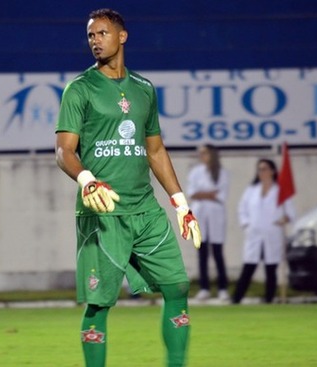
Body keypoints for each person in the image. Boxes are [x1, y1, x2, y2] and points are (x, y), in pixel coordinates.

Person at [55, 9, 201, 367]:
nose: (95, 41)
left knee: (177, 287)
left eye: (102, 33)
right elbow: (64, 151)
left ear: (122, 36)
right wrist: (87, 180)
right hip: (103, 212)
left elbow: (155, 150)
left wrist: (181, 203)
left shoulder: (144, 89)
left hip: (146, 211)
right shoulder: (80, 89)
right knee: (99, 302)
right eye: (90, 35)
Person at [232, 159, 295, 304]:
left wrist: (284, 219)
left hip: (272, 233)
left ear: (272, 171)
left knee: (270, 269)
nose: (262, 172)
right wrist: (246, 224)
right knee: (249, 267)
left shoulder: (280, 191)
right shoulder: (251, 190)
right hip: (254, 233)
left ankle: (269, 299)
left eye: (265, 169)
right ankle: (236, 299)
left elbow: (290, 211)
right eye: (259, 169)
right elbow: (242, 208)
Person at [187, 145, 229, 301]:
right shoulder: (195, 172)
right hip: (200, 212)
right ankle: (204, 287)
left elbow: (220, 195)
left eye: (204, 153)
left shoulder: (222, 173)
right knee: (202, 251)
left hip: (216, 213)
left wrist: (203, 194)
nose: (202, 155)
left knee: (217, 251)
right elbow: (192, 193)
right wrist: (209, 194)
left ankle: (222, 288)